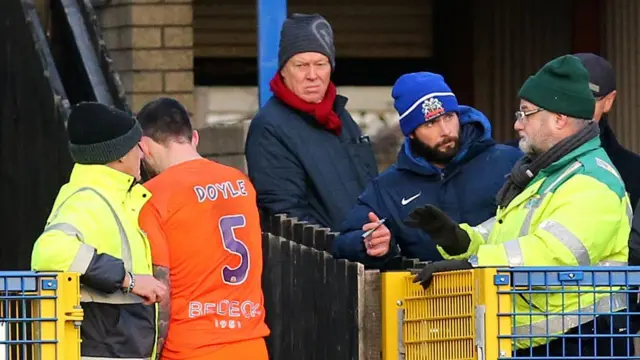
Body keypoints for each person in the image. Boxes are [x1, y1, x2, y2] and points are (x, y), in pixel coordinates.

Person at [405, 55, 631, 357]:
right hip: (546, 343)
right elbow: (504, 235)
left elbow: (552, 254)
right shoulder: (548, 174)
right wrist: (459, 240)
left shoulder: (592, 181)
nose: (517, 124)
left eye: (526, 113)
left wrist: (474, 265)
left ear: (559, 118)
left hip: (580, 344)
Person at [331, 72, 522, 266]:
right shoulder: (388, 188)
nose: (445, 131)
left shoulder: (508, 162)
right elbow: (342, 244)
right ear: (411, 133)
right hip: (430, 294)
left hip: (505, 291)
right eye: (430, 123)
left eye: (448, 117)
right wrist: (369, 243)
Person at [30, 102, 166, 359]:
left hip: (115, 348)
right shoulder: (88, 199)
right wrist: (131, 281)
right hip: (101, 350)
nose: (143, 151)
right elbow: (49, 252)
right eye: (137, 144)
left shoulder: (112, 196)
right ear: (120, 155)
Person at [136, 98, 270, 360]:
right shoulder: (240, 183)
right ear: (194, 138)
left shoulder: (152, 196)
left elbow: (160, 288)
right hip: (250, 344)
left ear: (144, 147)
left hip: (189, 347)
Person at [245, 13, 378, 231]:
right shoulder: (269, 128)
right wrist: (350, 245)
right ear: (283, 70)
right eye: (301, 65)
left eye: (320, 63)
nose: (312, 75)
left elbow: (372, 190)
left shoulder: (340, 117)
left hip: (367, 253)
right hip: (322, 262)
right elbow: (286, 214)